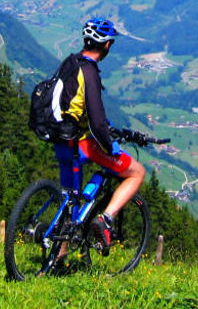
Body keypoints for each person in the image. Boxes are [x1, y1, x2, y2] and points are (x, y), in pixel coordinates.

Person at [51, 16, 146, 252]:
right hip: (81, 144)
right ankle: (105, 219)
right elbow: (95, 118)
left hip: (59, 139)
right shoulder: (89, 72)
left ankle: (58, 259)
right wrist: (108, 144)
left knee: (71, 202)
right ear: (106, 45)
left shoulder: (70, 63)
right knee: (136, 172)